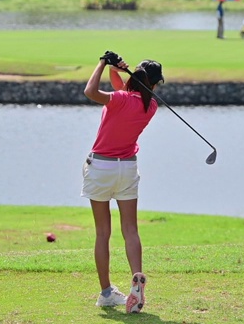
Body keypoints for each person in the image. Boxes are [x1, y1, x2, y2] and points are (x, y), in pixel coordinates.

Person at [83, 51, 165, 314]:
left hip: (101, 168)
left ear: (137, 76)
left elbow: (90, 92)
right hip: (127, 168)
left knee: (102, 233)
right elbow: (123, 89)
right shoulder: (149, 105)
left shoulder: (119, 100)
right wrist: (116, 69)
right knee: (130, 229)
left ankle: (107, 292)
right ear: (154, 84)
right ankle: (137, 277)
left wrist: (101, 63)